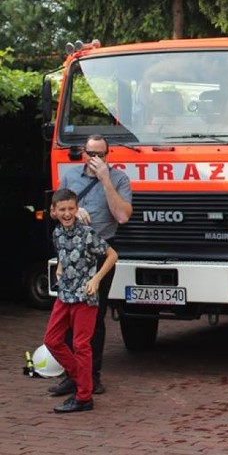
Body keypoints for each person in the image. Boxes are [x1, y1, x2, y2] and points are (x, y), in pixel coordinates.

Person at [49, 134, 132, 398]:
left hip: (98, 255)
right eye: (91, 153)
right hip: (71, 255)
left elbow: (122, 216)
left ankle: (92, 376)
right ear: (83, 153)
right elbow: (58, 212)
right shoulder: (71, 176)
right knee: (68, 319)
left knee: (93, 320)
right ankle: (72, 375)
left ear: (108, 155)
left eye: (101, 154)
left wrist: (106, 180)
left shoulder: (119, 179)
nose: (95, 159)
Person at [43, 189, 118, 413]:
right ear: (54, 211)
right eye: (62, 210)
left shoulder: (86, 232)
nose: (67, 213)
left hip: (85, 297)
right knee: (52, 340)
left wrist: (96, 279)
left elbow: (112, 255)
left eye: (71, 209)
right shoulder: (56, 233)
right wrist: (59, 266)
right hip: (65, 294)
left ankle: (84, 397)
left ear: (77, 210)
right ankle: (81, 378)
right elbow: (63, 255)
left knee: (81, 345)